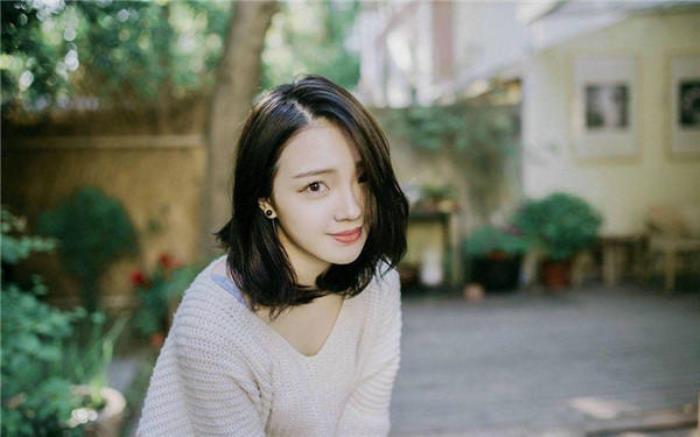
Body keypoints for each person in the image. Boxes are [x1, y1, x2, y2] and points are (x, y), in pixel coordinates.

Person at [136, 75, 409, 436]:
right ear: (265, 199)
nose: (352, 209)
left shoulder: (377, 284)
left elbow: (365, 422)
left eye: (362, 178)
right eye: (316, 186)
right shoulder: (213, 326)